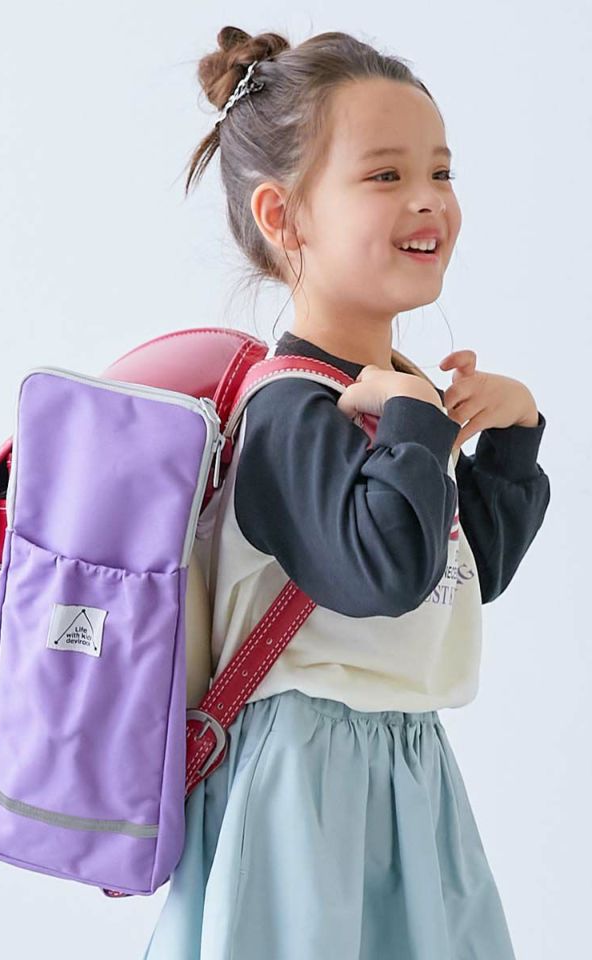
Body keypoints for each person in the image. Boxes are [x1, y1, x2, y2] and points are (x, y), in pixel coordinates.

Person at [142, 26, 550, 960]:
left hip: (407, 766)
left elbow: (462, 572)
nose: (428, 199)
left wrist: (511, 441)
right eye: (385, 175)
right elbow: (383, 575)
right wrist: (415, 426)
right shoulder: (289, 408)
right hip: (302, 780)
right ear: (283, 216)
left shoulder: (396, 394)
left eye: (441, 172)